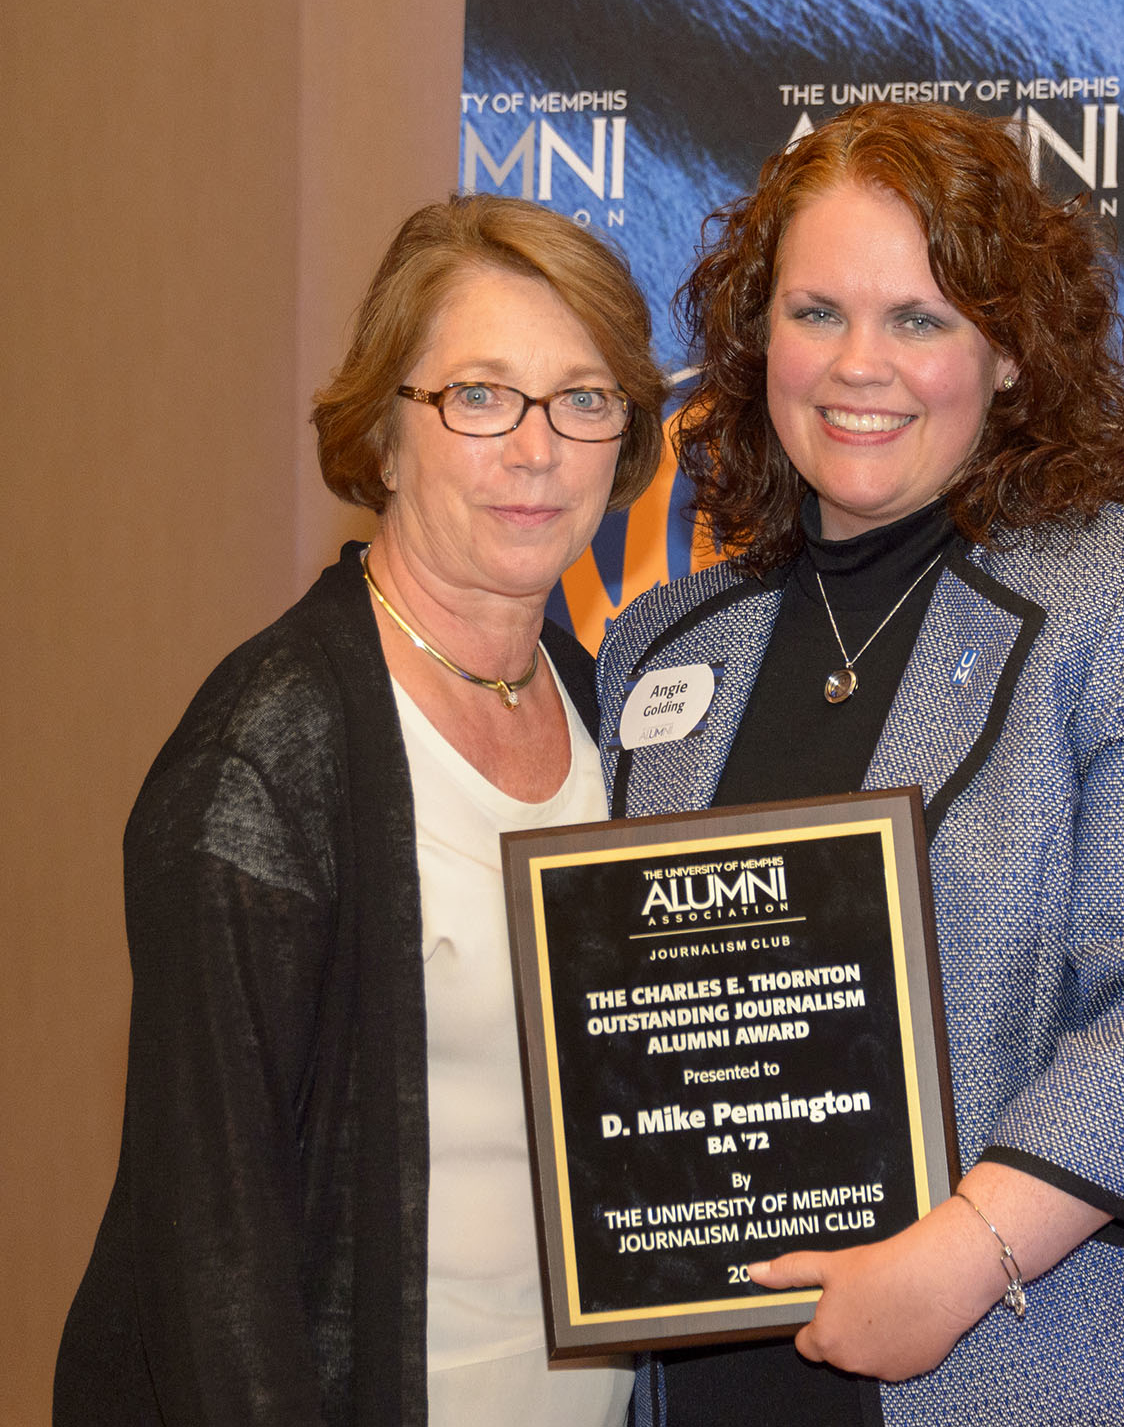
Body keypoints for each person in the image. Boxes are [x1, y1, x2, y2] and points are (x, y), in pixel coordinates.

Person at [596, 104, 1124, 1426]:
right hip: (742, 1375)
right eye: (816, 311)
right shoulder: (664, 644)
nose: (857, 364)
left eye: (921, 318)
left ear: (1006, 352)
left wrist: (958, 1255)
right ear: (756, 334)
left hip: (1096, 1368)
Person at [54, 193, 668, 1426]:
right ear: (383, 433)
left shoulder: (626, 727)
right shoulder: (265, 755)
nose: (537, 449)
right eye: (481, 396)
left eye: (584, 398)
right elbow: (210, 1254)